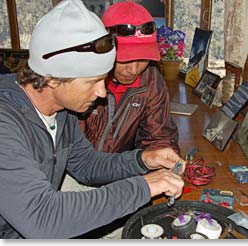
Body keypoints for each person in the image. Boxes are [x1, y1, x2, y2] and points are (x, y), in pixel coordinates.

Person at [0, 0, 184, 239]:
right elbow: (43, 217)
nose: (101, 92)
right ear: (54, 78)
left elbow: (87, 165)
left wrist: (143, 160)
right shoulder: (6, 124)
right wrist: (145, 186)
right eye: (92, 82)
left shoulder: (61, 111)